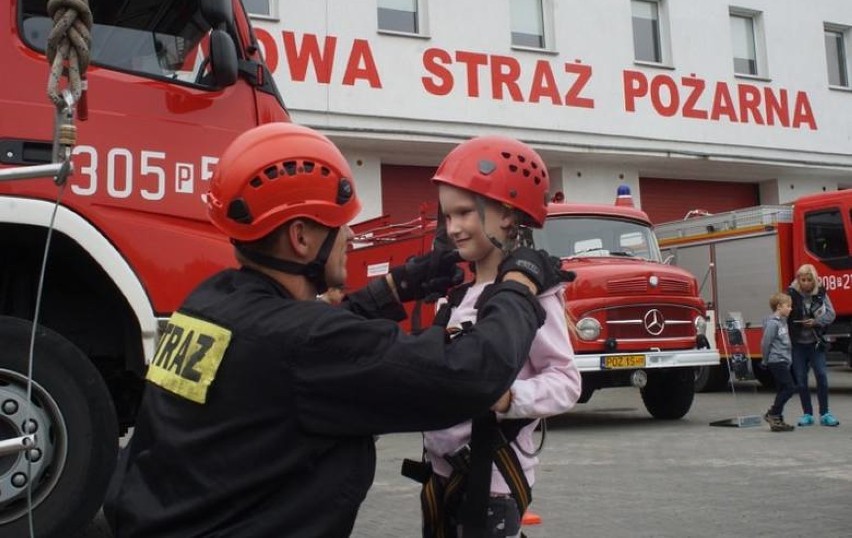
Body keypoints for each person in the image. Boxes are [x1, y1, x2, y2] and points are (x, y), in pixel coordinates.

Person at [103, 123, 573, 537]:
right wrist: (519, 285)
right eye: (341, 224)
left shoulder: (207, 304)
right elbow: (469, 372)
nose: (351, 236)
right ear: (302, 238)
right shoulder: (304, 341)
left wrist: (394, 288)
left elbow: (311, 337)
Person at [411, 136, 582, 537]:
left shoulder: (530, 297)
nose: (452, 228)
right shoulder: (456, 297)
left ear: (506, 215)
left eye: (465, 213)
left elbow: (565, 381)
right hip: (441, 478)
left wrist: (508, 398)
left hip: (493, 483)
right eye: (447, 216)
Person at [787, 264, 839, 427]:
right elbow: (782, 313)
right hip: (798, 344)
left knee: (822, 377)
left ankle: (825, 413)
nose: (806, 283)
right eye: (803, 280)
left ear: (815, 280)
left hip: (816, 343)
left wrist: (816, 322)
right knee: (801, 380)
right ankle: (807, 414)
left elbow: (831, 313)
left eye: (809, 280)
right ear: (798, 280)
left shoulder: (821, 293)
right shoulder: (791, 294)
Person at [760, 292, 796, 432]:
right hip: (776, 360)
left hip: (784, 360)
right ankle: (773, 413)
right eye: (788, 306)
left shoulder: (783, 322)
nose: (790, 309)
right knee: (789, 387)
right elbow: (766, 342)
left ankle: (778, 420)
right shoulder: (773, 324)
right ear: (779, 307)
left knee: (782, 389)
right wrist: (765, 359)